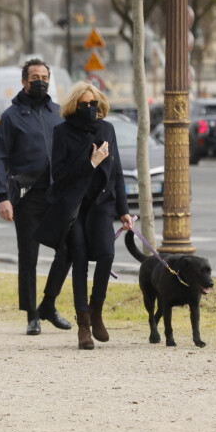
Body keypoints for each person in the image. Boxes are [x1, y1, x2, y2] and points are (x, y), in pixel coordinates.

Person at [35, 82, 132, 350]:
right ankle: (83, 324)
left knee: (107, 254)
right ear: (74, 106)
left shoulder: (107, 129)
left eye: (93, 104)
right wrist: (90, 162)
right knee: (78, 258)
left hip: (102, 205)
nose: (89, 108)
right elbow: (61, 175)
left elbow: (118, 172)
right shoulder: (62, 132)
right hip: (74, 206)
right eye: (84, 104)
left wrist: (123, 210)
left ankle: (96, 308)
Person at [0, 58, 72, 336]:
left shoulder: (58, 113)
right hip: (26, 197)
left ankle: (48, 304)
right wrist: (2, 197)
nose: (40, 81)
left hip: (57, 196)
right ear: (24, 82)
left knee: (69, 248)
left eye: (44, 76)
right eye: (34, 76)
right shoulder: (11, 116)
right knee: (29, 257)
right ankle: (32, 315)